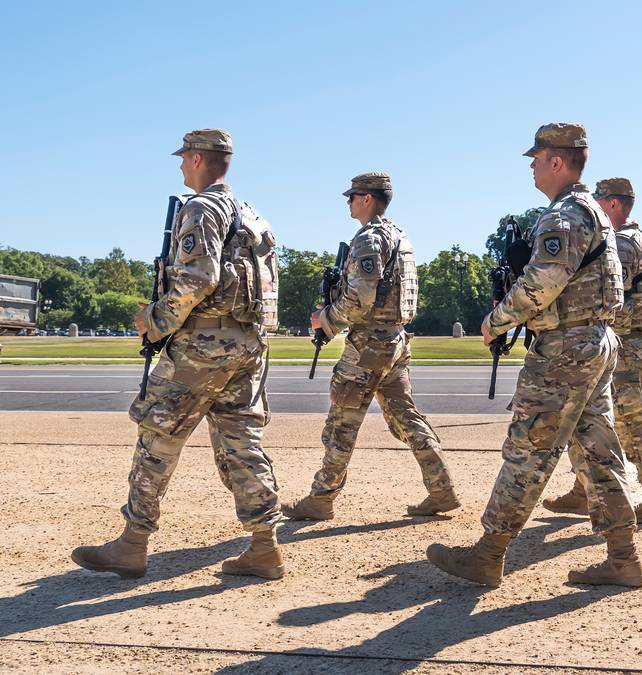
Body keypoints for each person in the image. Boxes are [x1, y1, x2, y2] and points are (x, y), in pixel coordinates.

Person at [427, 122, 642, 588]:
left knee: (529, 448)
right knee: (598, 452)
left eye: (537, 158)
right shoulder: (593, 211)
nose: (531, 166)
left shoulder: (563, 215)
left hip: (566, 348)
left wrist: (497, 319)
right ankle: (623, 557)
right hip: (595, 339)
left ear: (557, 161)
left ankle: (488, 554)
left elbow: (543, 281)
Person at [71, 129, 286, 580]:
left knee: (158, 435)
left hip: (203, 346)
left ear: (196, 158)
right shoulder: (252, 216)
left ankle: (132, 544)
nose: (180, 165)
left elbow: (198, 279)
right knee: (242, 443)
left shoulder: (201, 208)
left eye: (183, 157)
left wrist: (154, 319)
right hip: (248, 343)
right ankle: (265, 547)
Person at [282, 172, 459, 521]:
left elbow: (360, 297)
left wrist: (324, 318)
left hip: (369, 344)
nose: (348, 202)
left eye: (352, 196)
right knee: (406, 419)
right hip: (395, 340)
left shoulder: (370, 238)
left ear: (367, 199)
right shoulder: (400, 236)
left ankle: (321, 499)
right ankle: (442, 489)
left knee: (341, 423)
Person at [542, 177, 642, 524]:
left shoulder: (624, 245)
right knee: (587, 417)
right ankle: (583, 490)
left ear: (613, 204)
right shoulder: (633, 238)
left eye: (599, 201)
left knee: (631, 421)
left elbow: (610, 299)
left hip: (626, 344)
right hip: (623, 342)